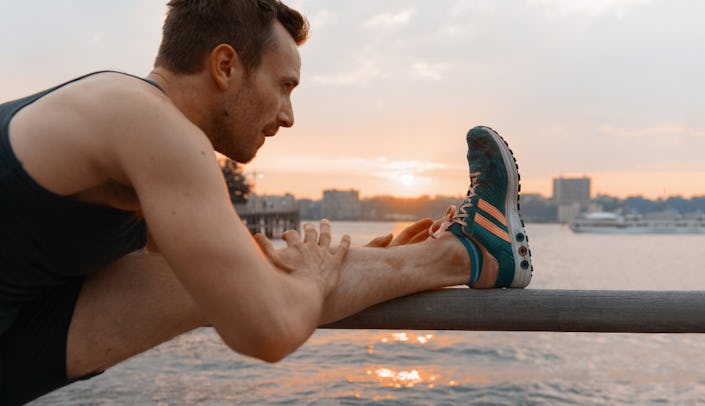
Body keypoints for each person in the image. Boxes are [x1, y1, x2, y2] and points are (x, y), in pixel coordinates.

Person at [0, 0, 533, 404]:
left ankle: (467, 254)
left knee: (233, 276)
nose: (287, 115)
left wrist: (362, 261)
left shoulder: (135, 123)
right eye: (284, 86)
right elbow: (265, 330)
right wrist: (315, 277)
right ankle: (465, 254)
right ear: (225, 66)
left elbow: (206, 273)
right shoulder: (147, 122)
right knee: (269, 288)